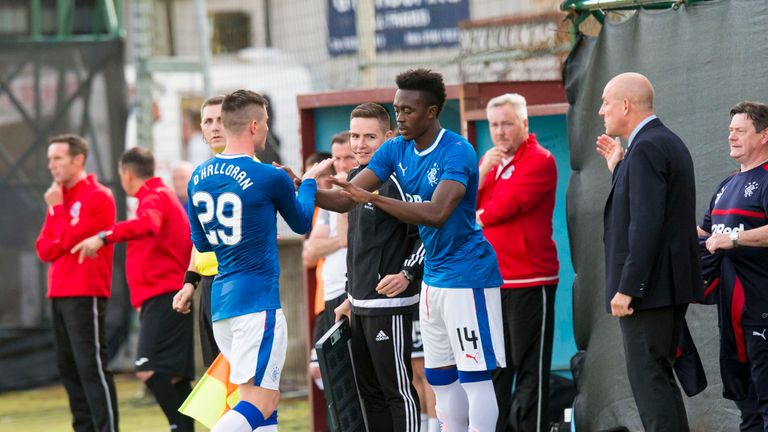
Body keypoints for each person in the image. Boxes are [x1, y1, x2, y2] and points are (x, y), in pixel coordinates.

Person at [318, 69, 505, 431]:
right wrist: (301, 188)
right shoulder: (395, 149)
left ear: (431, 112)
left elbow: (436, 213)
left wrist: (371, 198)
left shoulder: (458, 151)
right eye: (397, 109)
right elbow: (347, 199)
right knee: (439, 378)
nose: (400, 117)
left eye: (408, 110)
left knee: (475, 378)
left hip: (468, 277)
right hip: (433, 280)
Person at [186, 89, 331, 432]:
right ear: (253, 125)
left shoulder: (198, 176)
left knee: (259, 400)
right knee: (261, 400)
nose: (267, 129)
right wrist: (308, 182)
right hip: (256, 303)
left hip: (221, 303)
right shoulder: (270, 175)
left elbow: (203, 243)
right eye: (265, 122)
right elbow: (301, 221)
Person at [595, 72, 701, 432]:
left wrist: (628, 288)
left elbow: (646, 225)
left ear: (626, 105)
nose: (600, 110)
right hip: (660, 288)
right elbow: (648, 210)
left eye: (606, 102)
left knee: (650, 382)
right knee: (657, 379)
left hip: (649, 291)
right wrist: (619, 169)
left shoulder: (649, 147)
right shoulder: (656, 145)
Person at [72, 147, 195, 432]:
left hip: (165, 296)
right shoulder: (160, 196)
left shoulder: (153, 197)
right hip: (165, 295)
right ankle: (183, 428)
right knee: (174, 376)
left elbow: (148, 225)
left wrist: (104, 236)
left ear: (127, 174)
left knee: (148, 369)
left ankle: (177, 426)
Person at [332, 103, 423, 431]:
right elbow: (357, 247)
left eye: (369, 136)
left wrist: (408, 274)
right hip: (359, 306)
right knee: (369, 393)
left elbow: (428, 231)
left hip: (389, 307)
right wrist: (348, 296)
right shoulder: (357, 178)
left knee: (397, 392)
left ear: (389, 136)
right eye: (355, 135)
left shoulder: (399, 180)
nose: (360, 144)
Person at [476, 93, 559, 432]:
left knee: (529, 371)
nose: (500, 132)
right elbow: (467, 202)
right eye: (494, 125)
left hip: (530, 280)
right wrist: (481, 173)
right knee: (495, 371)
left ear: (525, 124)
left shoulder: (540, 160)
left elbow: (499, 209)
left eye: (507, 123)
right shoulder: (491, 164)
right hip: (494, 281)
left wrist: (473, 215)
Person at [35, 134, 119, 432]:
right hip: (58, 292)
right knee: (68, 369)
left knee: (91, 367)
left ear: (78, 160)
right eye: (50, 159)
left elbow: (67, 241)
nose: (51, 165)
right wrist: (58, 213)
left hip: (85, 292)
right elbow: (44, 249)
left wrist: (57, 212)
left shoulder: (97, 196)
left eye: (57, 158)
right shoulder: (58, 196)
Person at [700, 101, 768, 432]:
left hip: (762, 310)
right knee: (748, 407)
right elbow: (703, 234)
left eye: (740, 131)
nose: (732, 137)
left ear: (764, 135)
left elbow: (727, 238)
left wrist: (736, 238)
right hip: (731, 316)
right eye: (730, 131)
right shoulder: (726, 185)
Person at [173, 95, 226, 367]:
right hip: (207, 284)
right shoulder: (202, 175)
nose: (215, 127)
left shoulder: (253, 169)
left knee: (241, 380)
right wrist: (190, 282)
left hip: (236, 282)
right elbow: (201, 237)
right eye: (208, 121)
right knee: (214, 375)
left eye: (221, 119)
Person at [303, 136, 353, 395]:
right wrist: (335, 242)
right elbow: (309, 253)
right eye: (338, 160)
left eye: (348, 157)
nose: (342, 166)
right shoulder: (330, 200)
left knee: (351, 372)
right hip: (328, 296)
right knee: (322, 370)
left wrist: (333, 241)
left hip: (350, 291)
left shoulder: (356, 191)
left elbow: (345, 237)